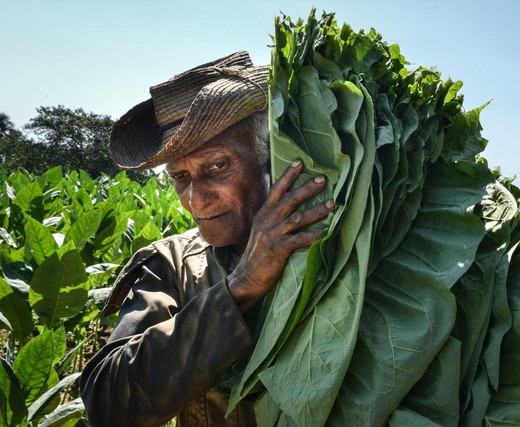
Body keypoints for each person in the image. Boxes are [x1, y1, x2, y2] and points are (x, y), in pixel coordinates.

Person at [80, 51, 334, 426]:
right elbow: (107, 402)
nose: (196, 200)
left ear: (272, 157)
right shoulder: (173, 263)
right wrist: (240, 288)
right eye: (180, 177)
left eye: (217, 166)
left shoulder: (338, 244)